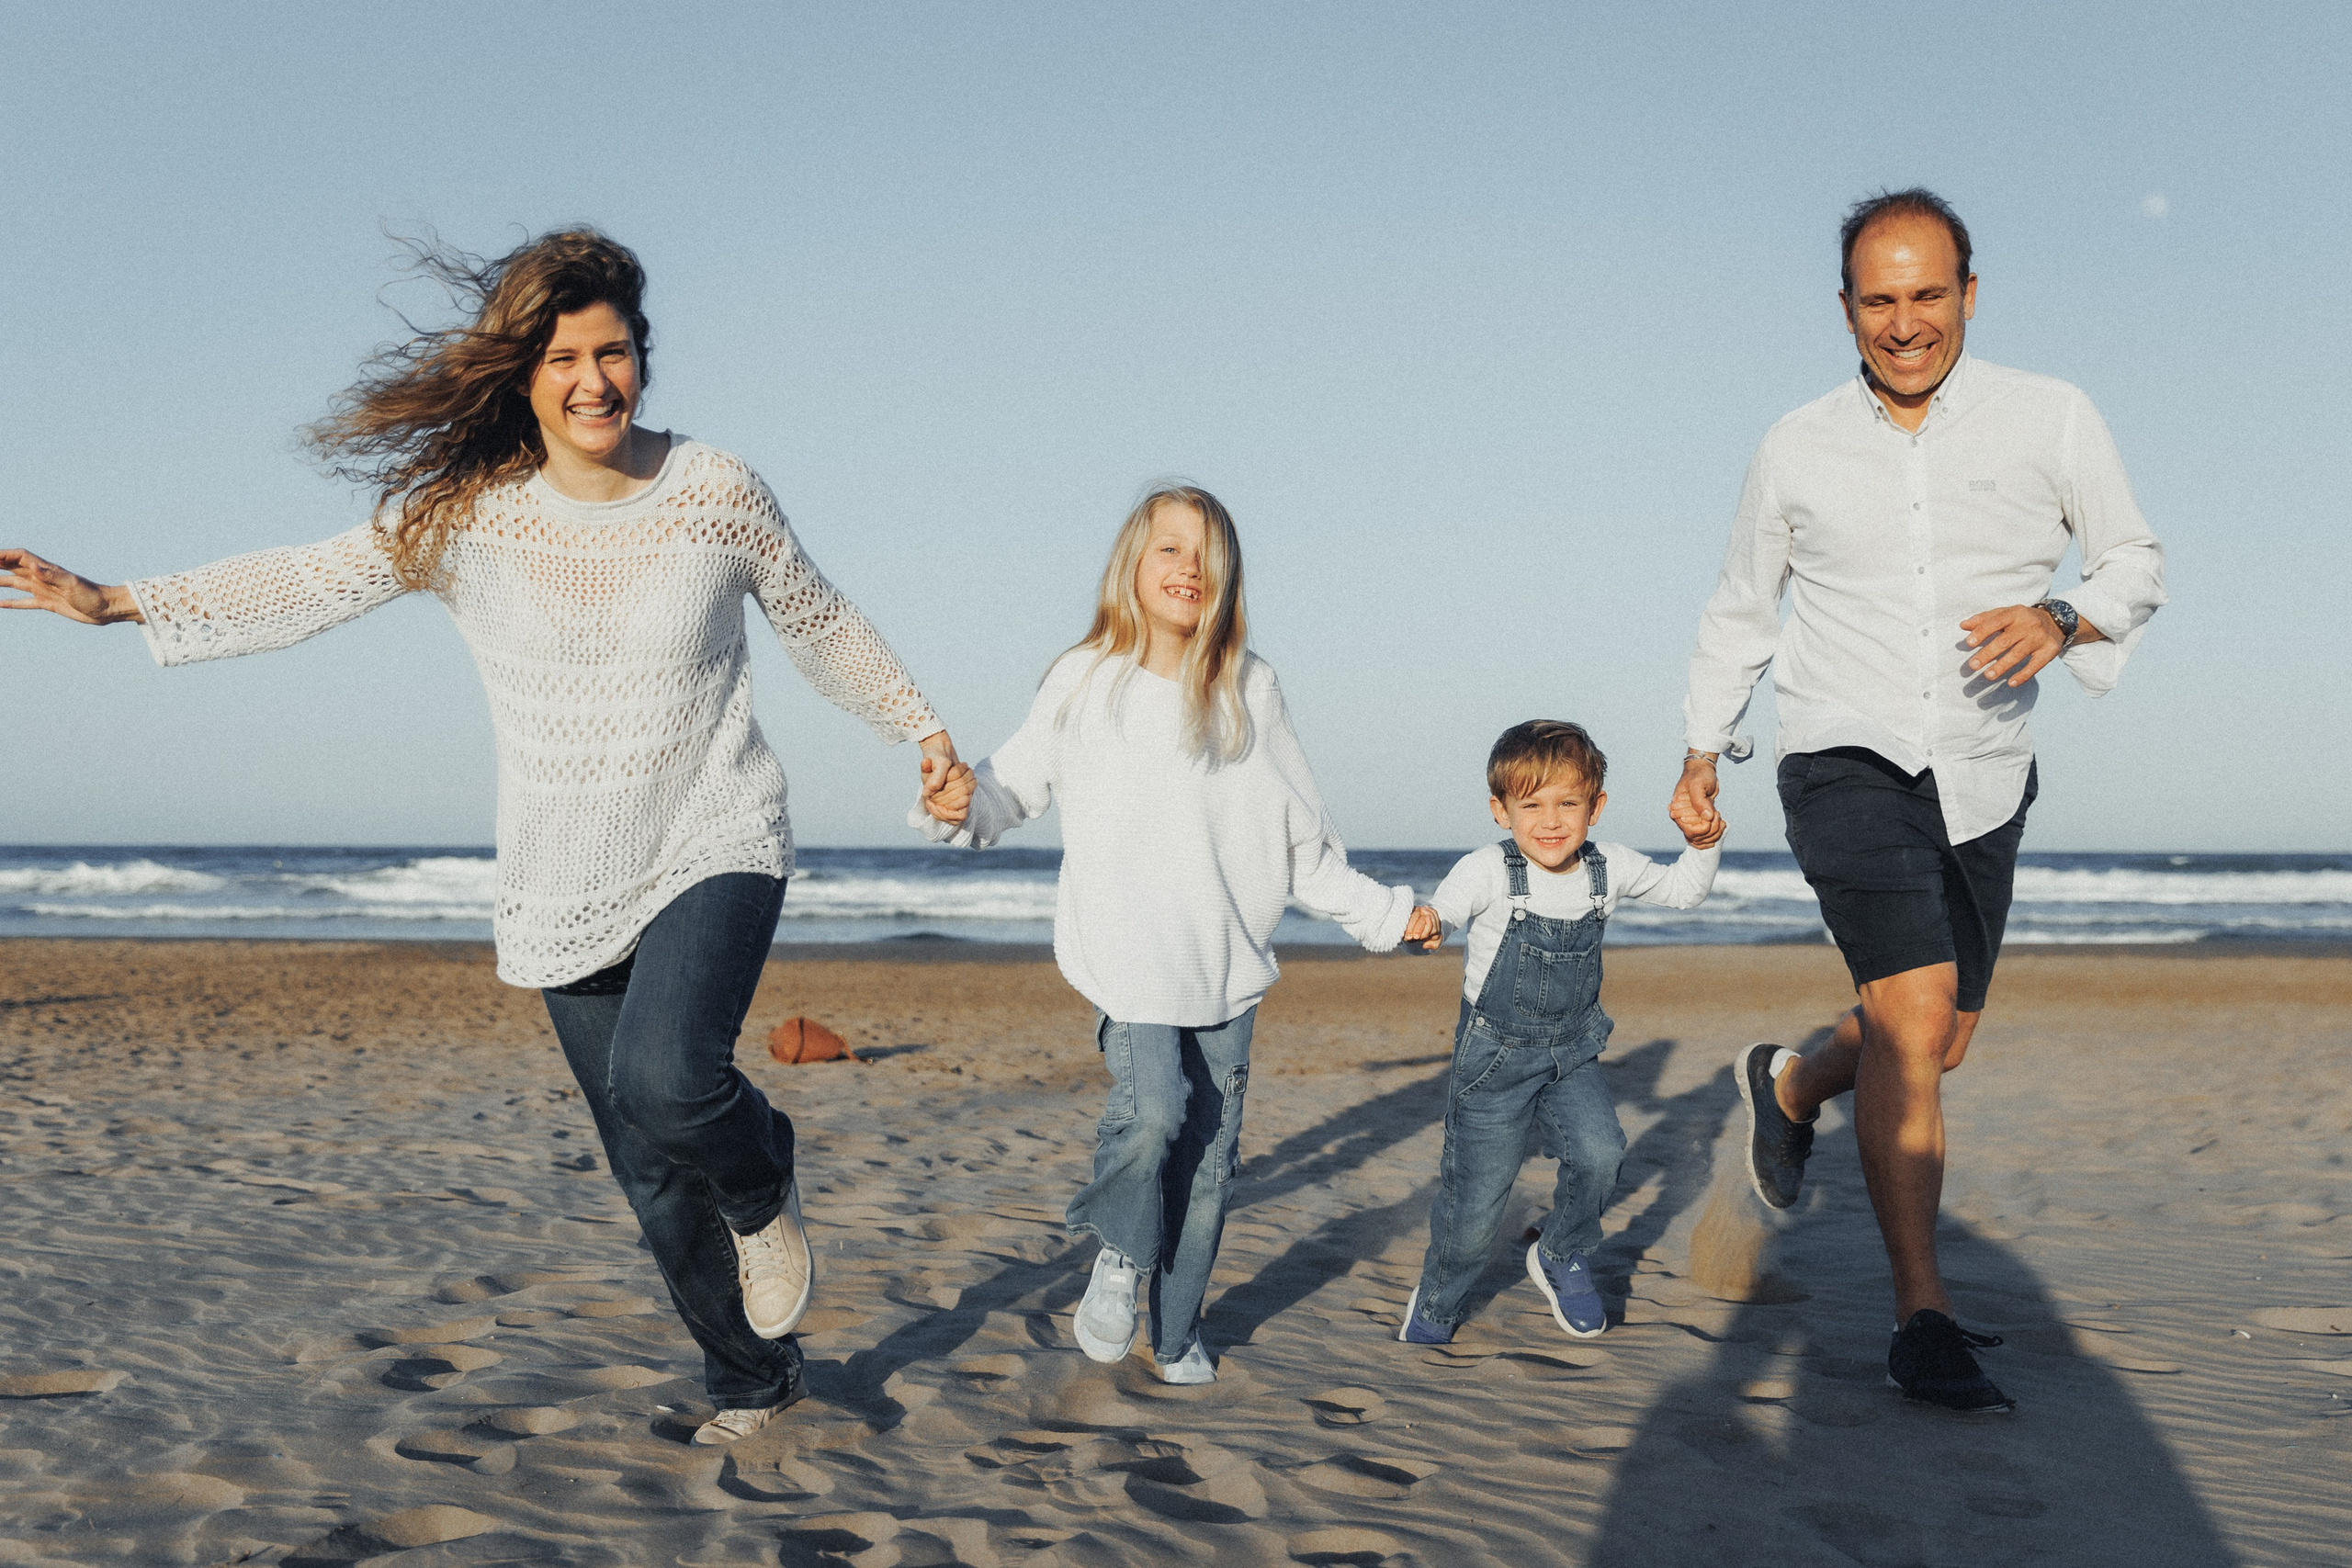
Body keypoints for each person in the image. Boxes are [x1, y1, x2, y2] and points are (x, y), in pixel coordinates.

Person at [0, 229, 970, 1446]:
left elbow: (817, 616)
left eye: (611, 350)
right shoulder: (469, 517)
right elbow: (313, 578)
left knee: (671, 1080)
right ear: (524, 375)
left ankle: (764, 1167)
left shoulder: (717, 489)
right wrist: (117, 599)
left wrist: (921, 730)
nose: (593, 380)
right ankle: (753, 1379)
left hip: (715, 829)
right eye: (564, 357)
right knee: (650, 1171)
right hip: (563, 872)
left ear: (642, 354)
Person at [1671, 189, 2167, 1413]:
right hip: (1840, 754)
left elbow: (2135, 561)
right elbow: (1743, 605)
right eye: (1879, 300)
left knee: (1937, 1036)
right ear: (1846, 308)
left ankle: (1787, 1083)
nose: (1905, 323)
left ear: (1970, 294)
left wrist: (2065, 616)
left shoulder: (2051, 416)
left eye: (1927, 294)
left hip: (1986, 767)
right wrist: (1700, 748)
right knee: (1911, 1023)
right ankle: (1921, 1313)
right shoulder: (1795, 444)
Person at [913, 484, 1415, 1383]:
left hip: (1224, 957)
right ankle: (1118, 1252)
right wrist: (959, 804)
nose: (1188, 567)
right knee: (1154, 1116)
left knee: (1210, 1165)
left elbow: (1302, 838)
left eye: (1205, 553)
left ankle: (1177, 1336)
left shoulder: (1249, 687)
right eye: (1168, 549)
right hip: (1131, 953)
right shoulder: (1085, 677)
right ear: (1131, 569)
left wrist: (1383, 914)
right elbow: (1009, 788)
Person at [1394, 720, 1720, 1347]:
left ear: (1595, 806)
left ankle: (1560, 1250)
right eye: (1531, 804)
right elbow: (1444, 912)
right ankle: (1438, 1300)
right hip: (1493, 1063)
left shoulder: (1609, 868)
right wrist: (1426, 924)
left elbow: (1684, 891)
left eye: (1568, 802)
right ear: (1501, 810)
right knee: (1475, 1211)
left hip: (1571, 1054)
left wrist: (1703, 843)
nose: (1550, 820)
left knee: (1602, 1154)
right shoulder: (1488, 869)